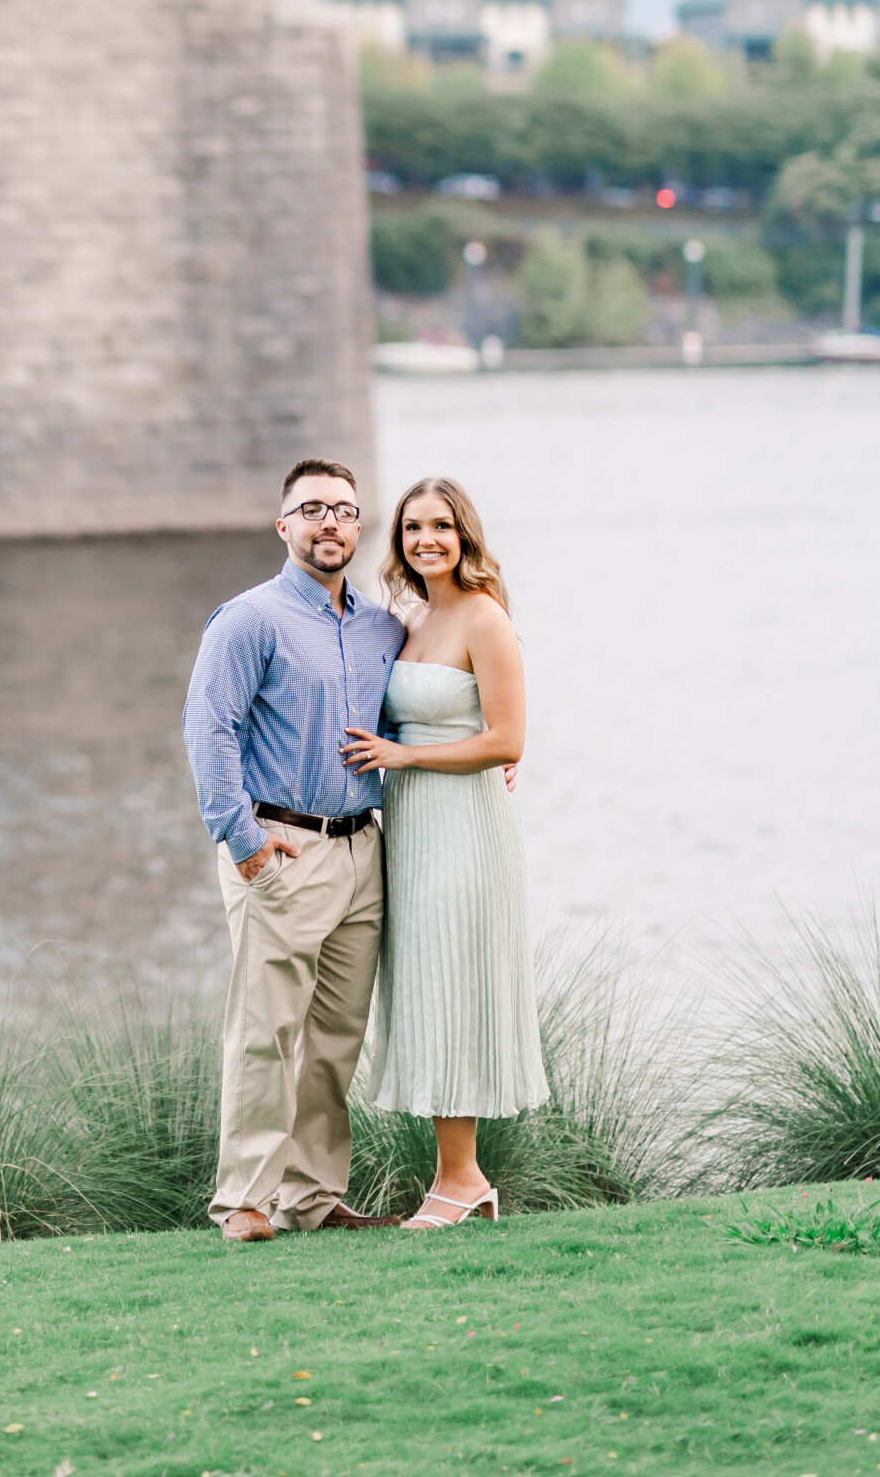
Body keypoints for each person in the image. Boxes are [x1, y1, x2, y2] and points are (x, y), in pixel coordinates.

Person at [182, 456, 406, 1242]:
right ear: (284, 526)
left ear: (358, 524)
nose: (329, 523)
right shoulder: (250, 619)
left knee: (334, 1037)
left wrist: (491, 750)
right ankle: (242, 1201)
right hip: (280, 848)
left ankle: (310, 1197)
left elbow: (406, 726)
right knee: (266, 1030)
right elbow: (208, 730)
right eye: (311, 510)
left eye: (343, 510)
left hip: (360, 855)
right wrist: (241, 840)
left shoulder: (381, 627)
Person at [341, 476, 548, 1229]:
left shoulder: (483, 616)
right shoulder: (409, 618)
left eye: (440, 526)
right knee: (426, 988)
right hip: (413, 828)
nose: (425, 539)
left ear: (464, 535)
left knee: (452, 987)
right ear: (396, 541)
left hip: (463, 828)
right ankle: (459, 1178)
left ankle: (460, 1180)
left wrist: (406, 758)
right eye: (410, 528)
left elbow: (506, 739)